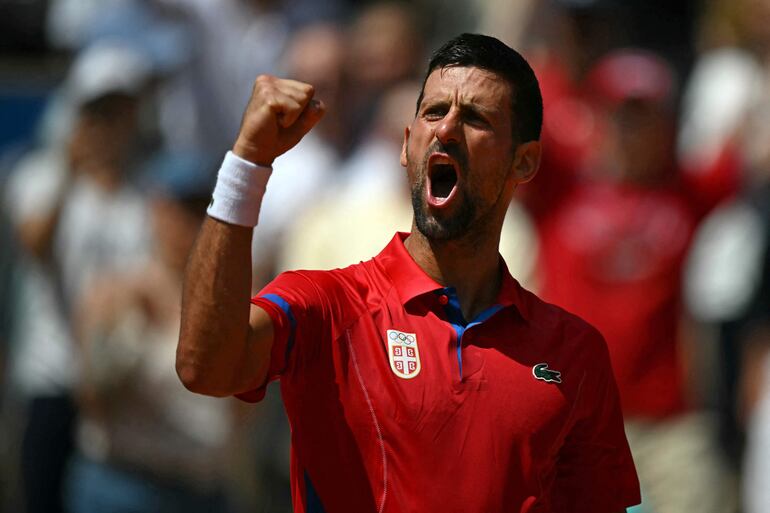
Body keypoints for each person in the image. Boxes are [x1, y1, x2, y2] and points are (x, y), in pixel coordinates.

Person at [177, 33, 641, 512]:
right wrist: (247, 162)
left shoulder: (575, 353)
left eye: (475, 118)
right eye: (434, 112)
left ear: (523, 162)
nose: (447, 129)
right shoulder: (328, 305)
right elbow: (205, 367)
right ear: (406, 146)